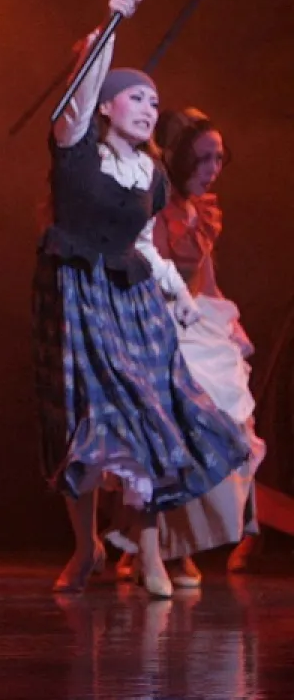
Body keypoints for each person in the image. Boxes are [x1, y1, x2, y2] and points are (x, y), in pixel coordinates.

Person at [34, 0, 248, 598]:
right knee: (82, 422)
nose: (151, 108)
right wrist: (110, 27)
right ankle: (86, 549)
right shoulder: (74, 149)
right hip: (76, 297)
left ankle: (151, 555)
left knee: (149, 418)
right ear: (106, 106)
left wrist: (179, 293)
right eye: (136, 96)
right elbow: (76, 101)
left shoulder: (150, 174)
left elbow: (147, 245)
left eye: (156, 100)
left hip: (132, 302)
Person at [131, 108, 261, 578]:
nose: (213, 168)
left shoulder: (201, 212)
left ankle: (182, 543)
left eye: (220, 158)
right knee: (176, 436)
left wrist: (228, 325)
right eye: (203, 157)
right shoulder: (154, 211)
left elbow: (207, 278)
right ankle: (156, 547)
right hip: (163, 325)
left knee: (227, 429)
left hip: (200, 327)